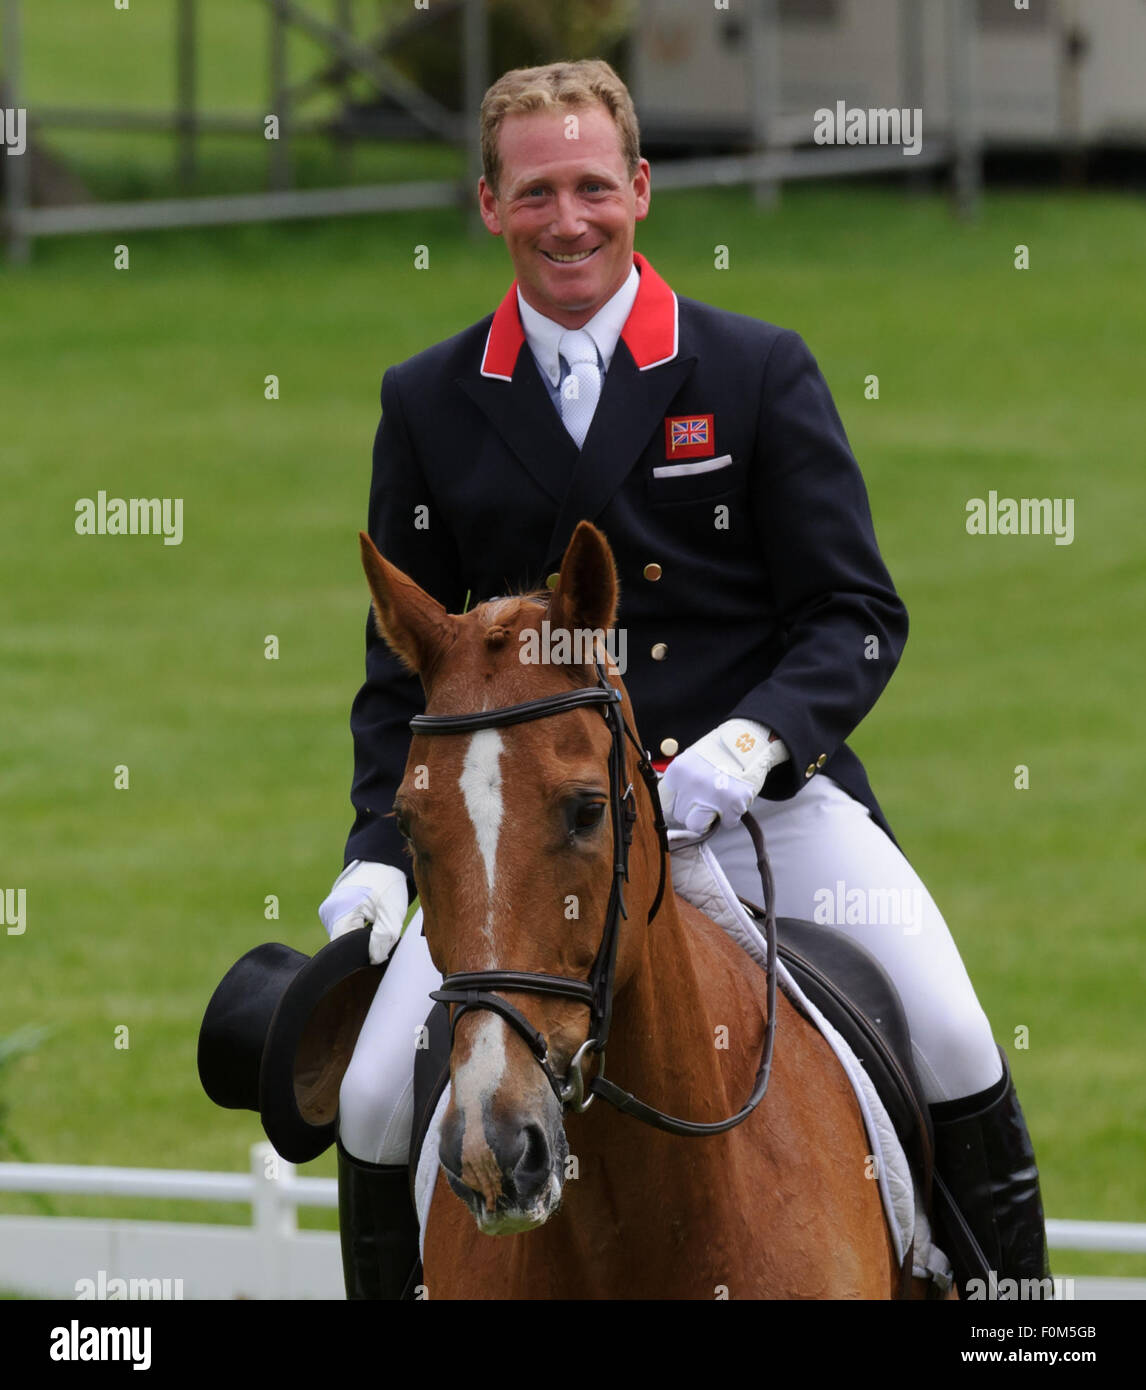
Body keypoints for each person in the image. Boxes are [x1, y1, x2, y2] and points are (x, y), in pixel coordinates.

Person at [318, 59, 1050, 1299]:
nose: (569, 219)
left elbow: (857, 615)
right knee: (377, 1093)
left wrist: (754, 744)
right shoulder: (430, 400)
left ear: (642, 189)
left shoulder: (753, 371)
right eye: (537, 190)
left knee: (951, 1028)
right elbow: (411, 672)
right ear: (489, 204)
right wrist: (379, 856)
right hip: (528, 836)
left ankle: (1018, 1320)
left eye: (594, 186)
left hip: (757, 804)